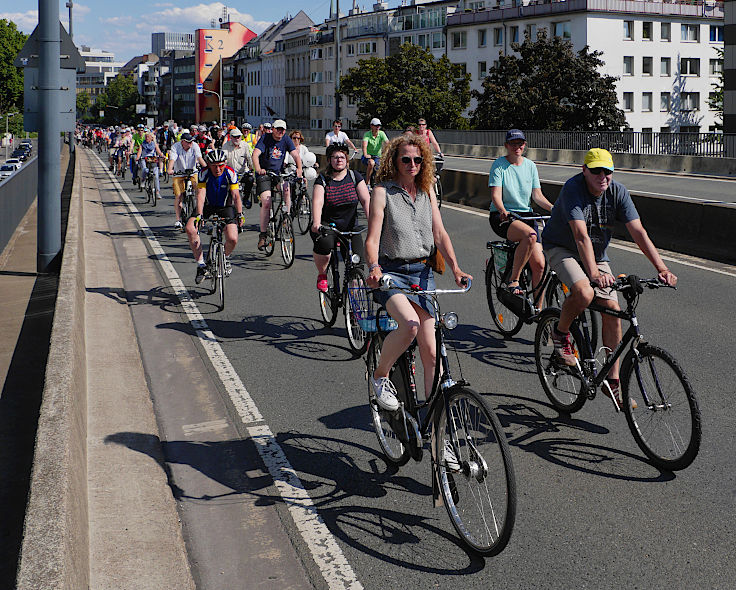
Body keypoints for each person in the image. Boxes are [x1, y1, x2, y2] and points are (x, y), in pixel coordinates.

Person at [541, 148, 677, 406]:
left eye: (608, 171)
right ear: (585, 171)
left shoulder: (618, 192)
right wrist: (592, 274)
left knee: (613, 309)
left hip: (597, 252)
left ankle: (612, 382)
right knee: (584, 292)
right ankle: (560, 334)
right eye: (596, 171)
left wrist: (662, 268)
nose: (602, 176)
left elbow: (638, 231)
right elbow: (580, 236)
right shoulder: (573, 189)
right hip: (562, 247)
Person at [365, 134, 472, 410]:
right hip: (392, 272)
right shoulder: (382, 192)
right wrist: (374, 267)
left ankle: (438, 432)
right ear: (395, 161)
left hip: (422, 273)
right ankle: (380, 376)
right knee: (410, 325)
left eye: (417, 159)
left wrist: (456, 268)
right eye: (406, 159)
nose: (412, 164)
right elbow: (373, 238)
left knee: (432, 353)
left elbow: (440, 234)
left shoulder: (426, 193)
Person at [489, 128, 554, 297]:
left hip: (526, 215)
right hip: (503, 216)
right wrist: (503, 211)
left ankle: (539, 312)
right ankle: (514, 279)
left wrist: (554, 209)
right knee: (530, 236)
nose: (517, 147)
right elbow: (496, 195)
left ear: (524, 145)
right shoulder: (499, 165)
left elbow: (537, 196)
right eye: (513, 144)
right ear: (506, 146)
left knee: (540, 264)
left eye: (520, 143)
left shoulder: (530, 166)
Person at [311, 142, 371, 292]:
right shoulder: (323, 180)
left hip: (350, 227)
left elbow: (366, 200)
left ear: (347, 159)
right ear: (330, 160)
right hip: (328, 225)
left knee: (356, 265)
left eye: (342, 156)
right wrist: (317, 223)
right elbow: (318, 202)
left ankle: (355, 304)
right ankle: (322, 274)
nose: (339, 160)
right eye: (335, 157)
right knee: (324, 245)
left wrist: (373, 221)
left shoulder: (354, 176)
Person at [186, 149, 244, 284]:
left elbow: (235, 195)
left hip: (225, 207)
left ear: (224, 163)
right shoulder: (203, 173)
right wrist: (199, 215)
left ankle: (225, 258)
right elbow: (200, 194)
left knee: (233, 238)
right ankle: (201, 265)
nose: (218, 169)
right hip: (207, 206)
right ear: (209, 165)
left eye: (220, 165)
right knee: (190, 228)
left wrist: (240, 214)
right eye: (214, 166)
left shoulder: (230, 172)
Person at [252, 119, 303, 250]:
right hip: (265, 174)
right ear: (273, 129)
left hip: (278, 173)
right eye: (278, 129)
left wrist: (299, 169)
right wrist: (258, 169)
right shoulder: (265, 138)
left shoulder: (286, 139)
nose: (280, 132)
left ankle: (286, 215)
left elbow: (295, 155)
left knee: (286, 189)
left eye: (283, 130)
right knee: (267, 202)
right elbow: (255, 154)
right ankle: (263, 235)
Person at [168, 132, 206, 229]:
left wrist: (206, 168)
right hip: (179, 173)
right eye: (188, 142)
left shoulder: (195, 146)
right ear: (182, 142)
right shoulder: (175, 147)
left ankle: (199, 215)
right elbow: (172, 159)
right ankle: (178, 220)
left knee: (199, 191)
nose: (190, 144)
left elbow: (199, 158)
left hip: (192, 172)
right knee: (178, 196)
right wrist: (169, 169)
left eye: (191, 142)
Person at [222, 127, 254, 209]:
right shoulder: (226, 146)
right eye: (234, 137)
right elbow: (223, 159)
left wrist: (252, 168)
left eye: (238, 137)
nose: (237, 139)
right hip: (230, 173)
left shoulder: (245, 145)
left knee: (250, 180)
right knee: (226, 188)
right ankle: (225, 205)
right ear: (231, 137)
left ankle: (246, 199)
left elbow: (249, 158)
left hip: (242, 172)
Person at [135, 131, 164, 200]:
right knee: (145, 169)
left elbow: (159, 151)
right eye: (146, 137)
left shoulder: (154, 144)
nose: (146, 138)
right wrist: (138, 157)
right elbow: (139, 152)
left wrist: (162, 156)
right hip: (144, 159)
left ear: (151, 138)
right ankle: (143, 180)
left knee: (156, 176)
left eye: (148, 137)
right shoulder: (142, 144)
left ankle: (157, 192)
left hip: (152, 159)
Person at [362, 118, 388, 188]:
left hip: (377, 156)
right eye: (376, 125)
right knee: (371, 163)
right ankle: (367, 182)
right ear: (371, 126)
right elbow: (364, 145)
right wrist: (365, 154)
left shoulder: (381, 133)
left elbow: (387, 143)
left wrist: (387, 153)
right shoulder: (367, 134)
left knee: (381, 166)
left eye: (379, 126)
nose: (377, 127)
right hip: (368, 156)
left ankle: (379, 183)